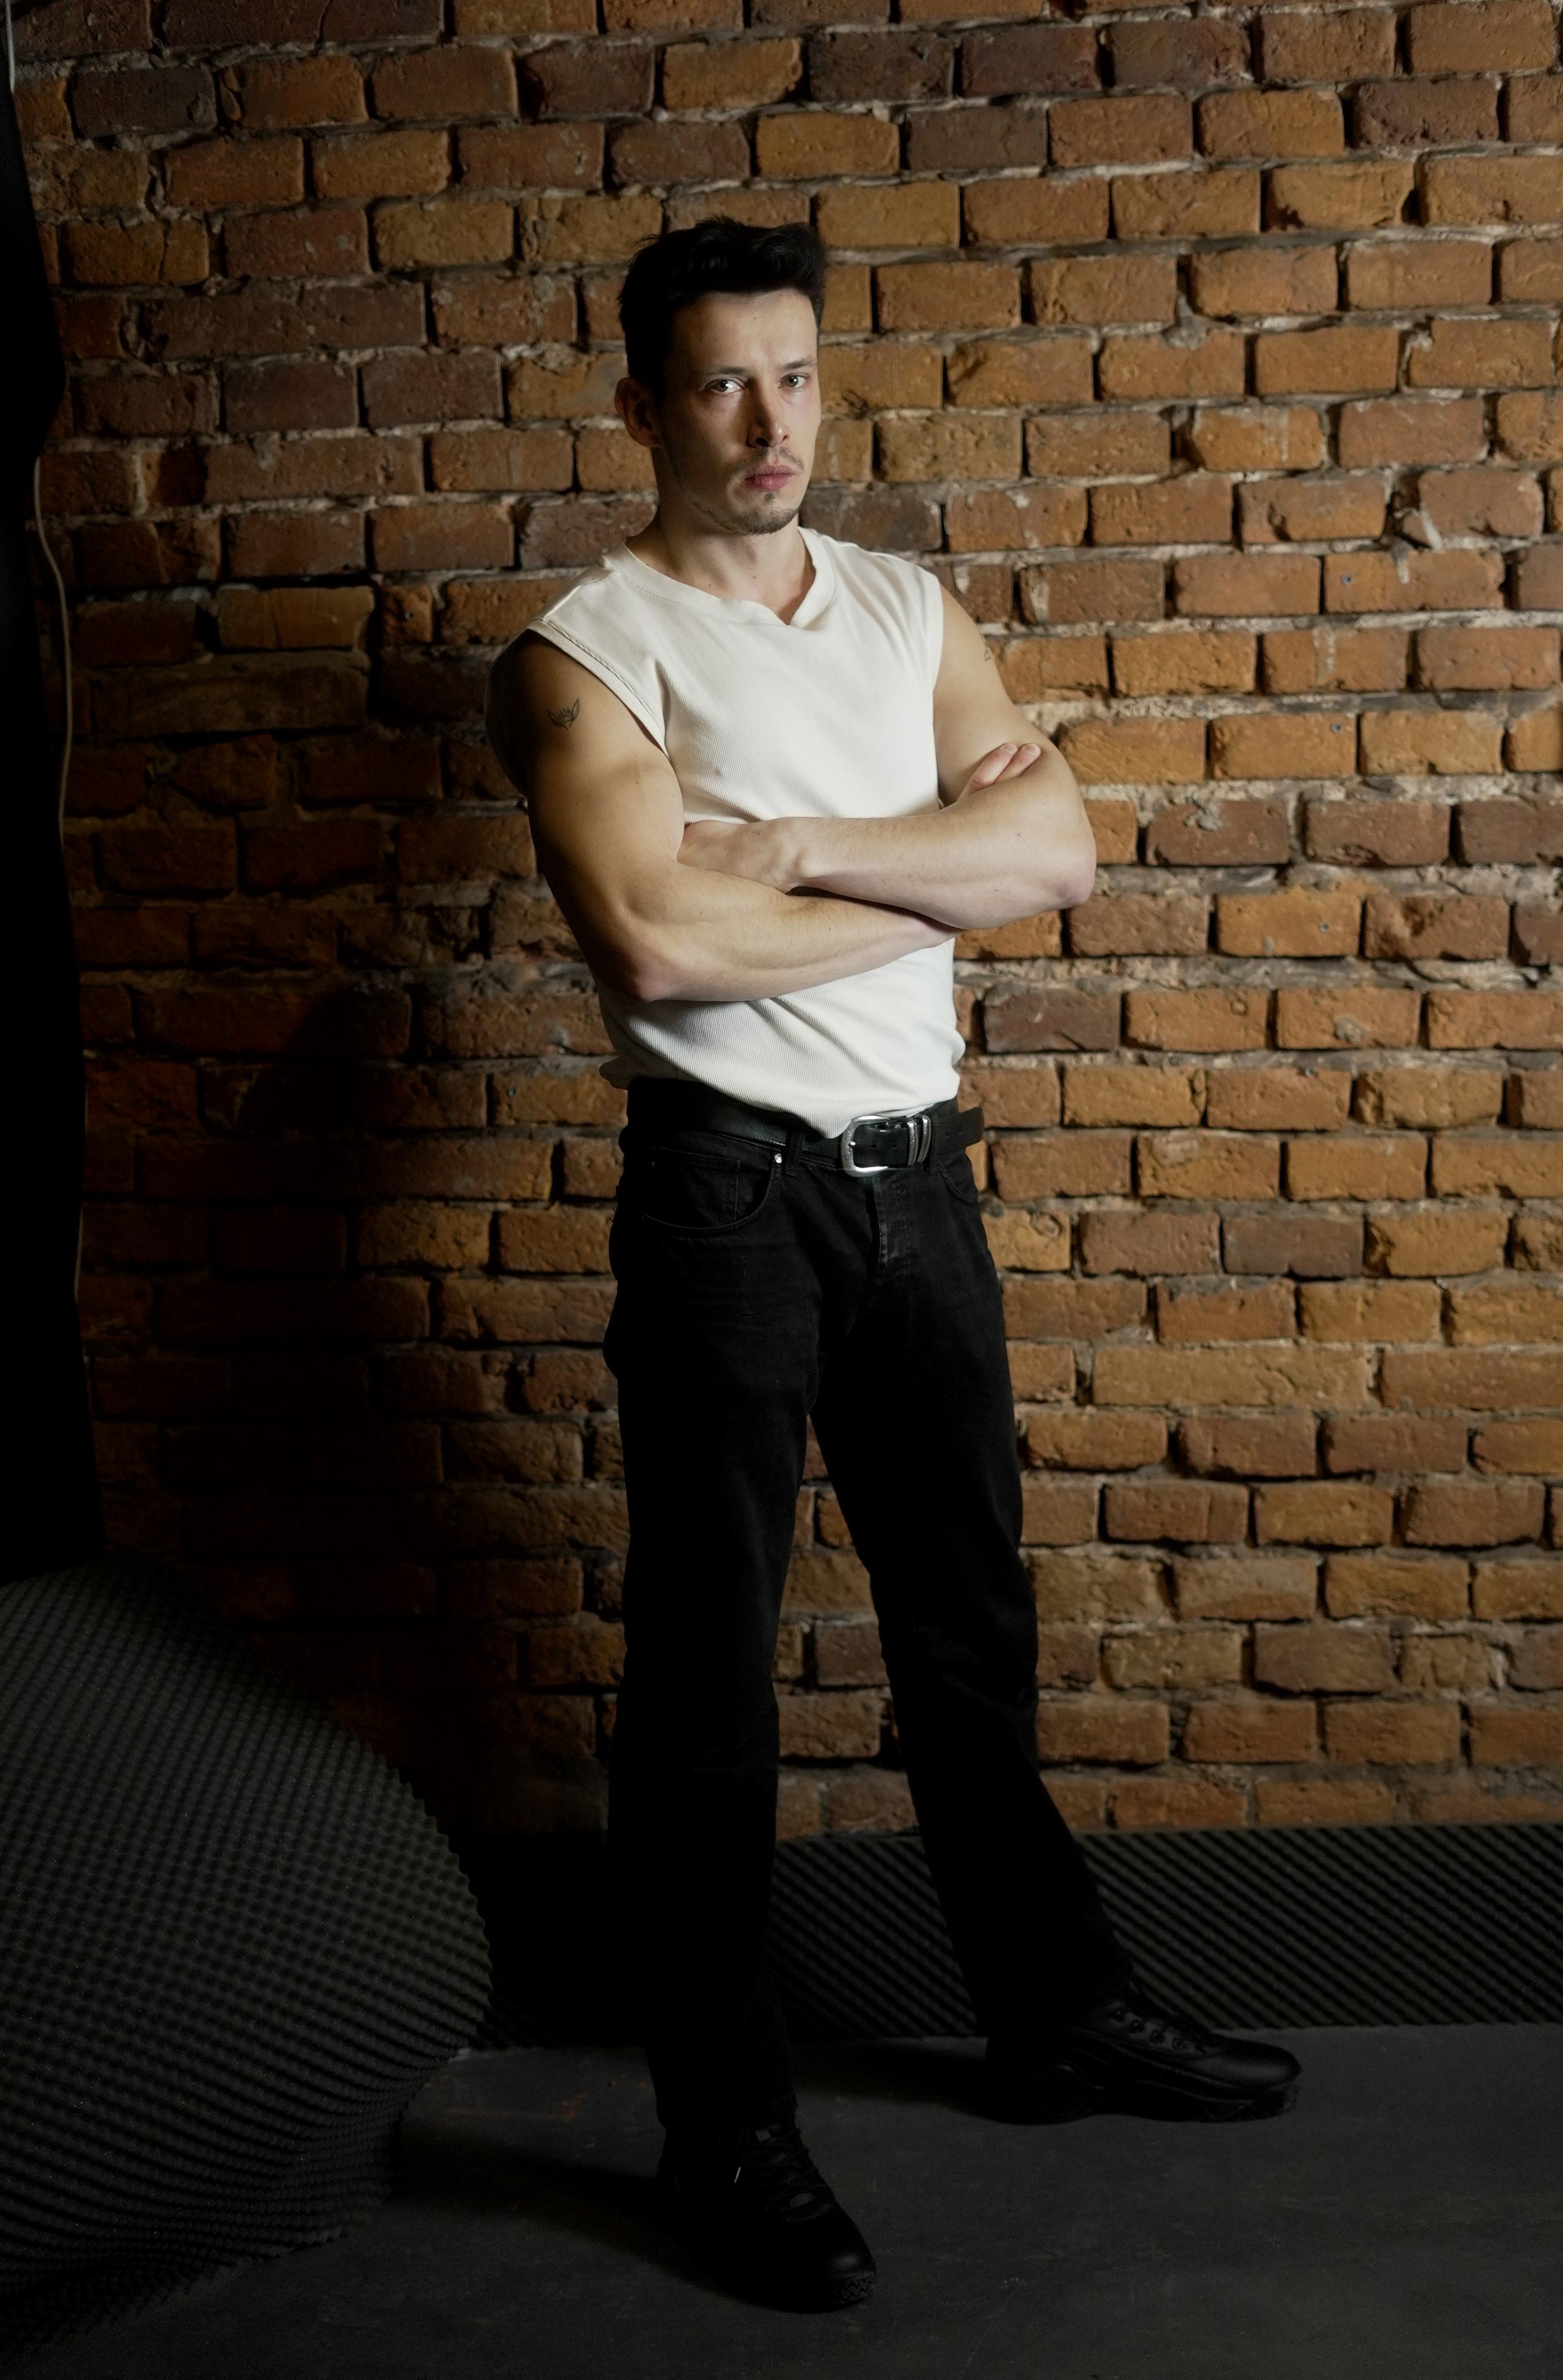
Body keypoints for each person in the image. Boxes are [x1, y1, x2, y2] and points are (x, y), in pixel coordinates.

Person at [486, 216, 1299, 2314]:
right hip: (727, 1203)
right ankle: (724, 2127)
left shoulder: (906, 607)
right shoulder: (587, 654)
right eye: (723, 385)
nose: (771, 424)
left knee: (969, 1635)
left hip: (922, 1189)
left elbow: (1064, 850)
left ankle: (1054, 2015)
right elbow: (656, 940)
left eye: (797, 378)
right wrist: (942, 880)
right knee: (707, 1686)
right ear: (645, 407)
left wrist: (793, 849)